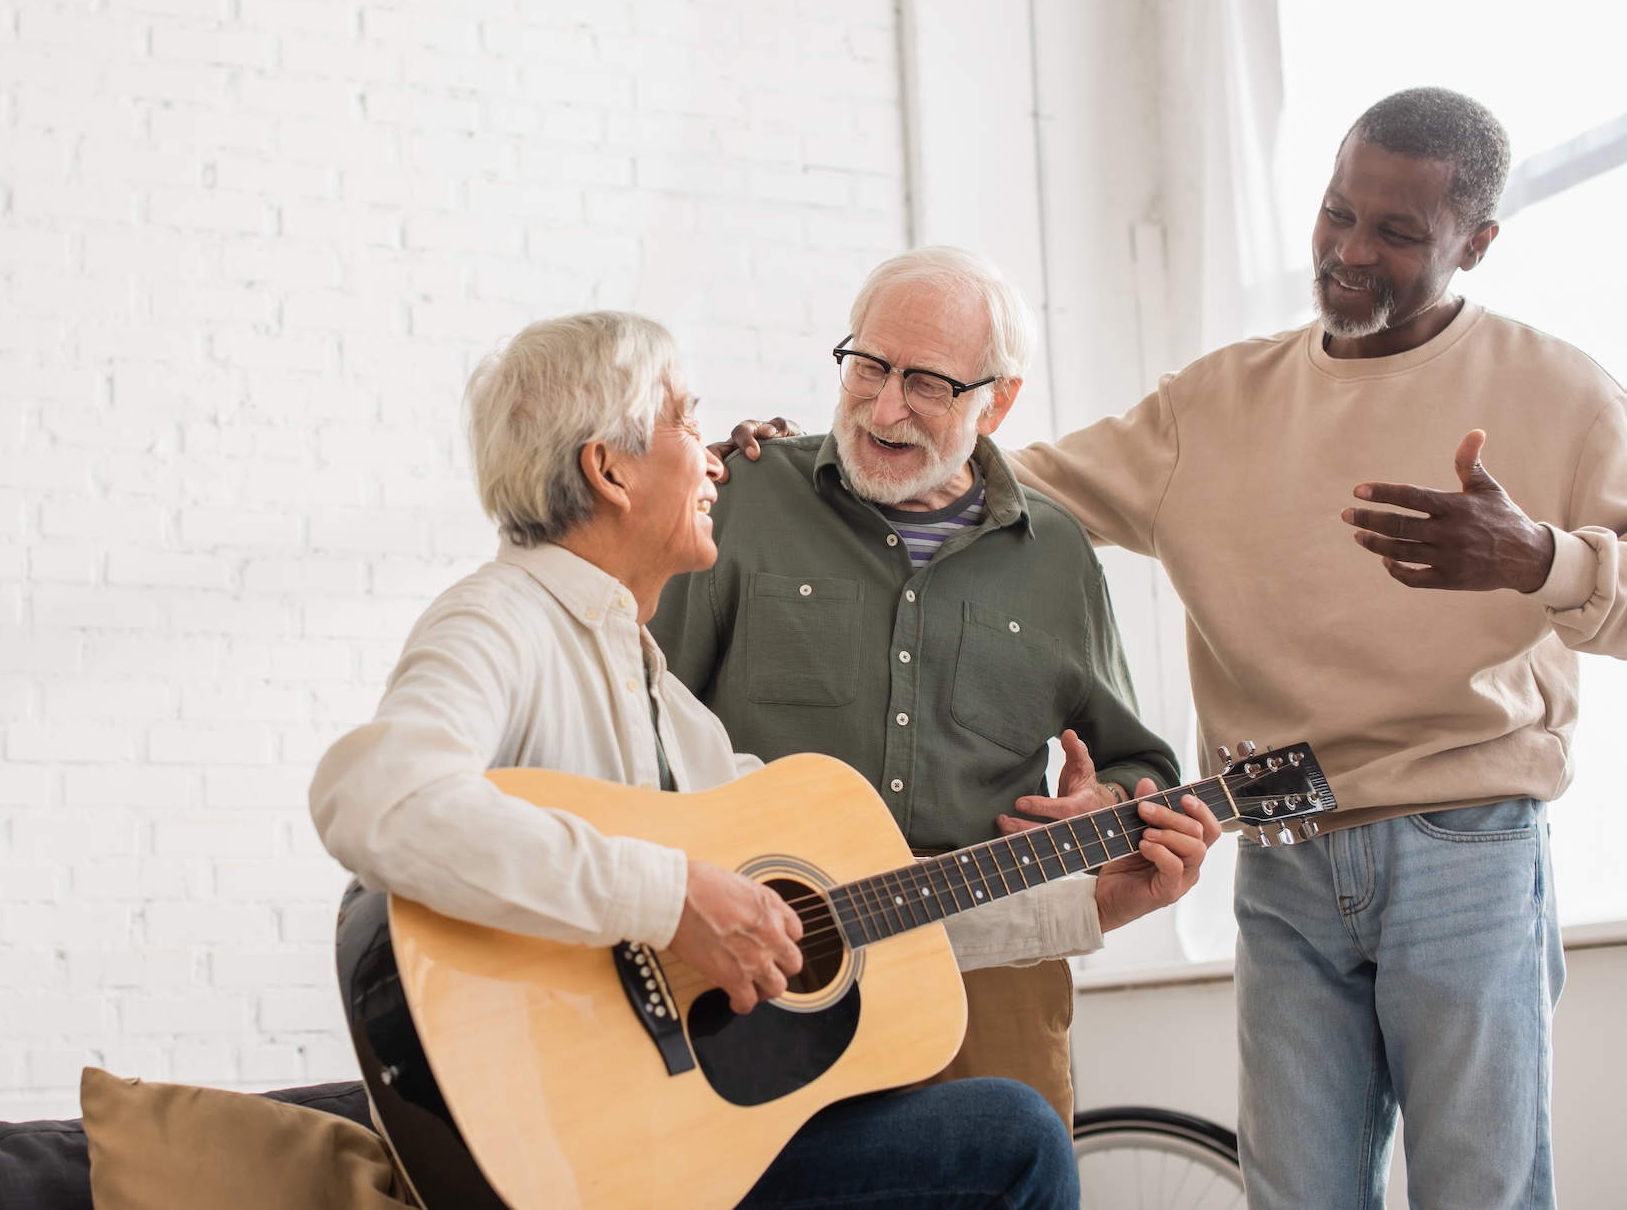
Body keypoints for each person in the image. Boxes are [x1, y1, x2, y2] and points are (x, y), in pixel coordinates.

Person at [726, 88, 1621, 1208]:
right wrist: (782, 460)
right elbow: (987, 477)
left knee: (1475, 1193)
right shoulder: (1216, 405)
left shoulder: (1562, 393)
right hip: (1280, 850)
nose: (1347, 253)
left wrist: (1541, 560)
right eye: (1335, 213)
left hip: (1465, 844)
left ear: (1476, 242)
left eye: (1395, 234)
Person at [311, 311, 1224, 1209]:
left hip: (673, 1125)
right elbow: (377, 795)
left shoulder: (667, 706)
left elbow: (861, 907)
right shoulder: (500, 618)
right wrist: (670, 899)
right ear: (609, 469)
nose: (718, 461)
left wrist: (1094, 898)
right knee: (1012, 1138)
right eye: (689, 427)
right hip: (574, 1134)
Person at [650, 247, 1182, 1127]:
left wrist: (1115, 801)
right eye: (869, 365)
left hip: (991, 974)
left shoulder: (1057, 554)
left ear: (998, 399)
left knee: (1009, 1175)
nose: (885, 406)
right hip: (767, 963)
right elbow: (645, 716)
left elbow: (1138, 759)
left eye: (928, 382)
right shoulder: (745, 491)